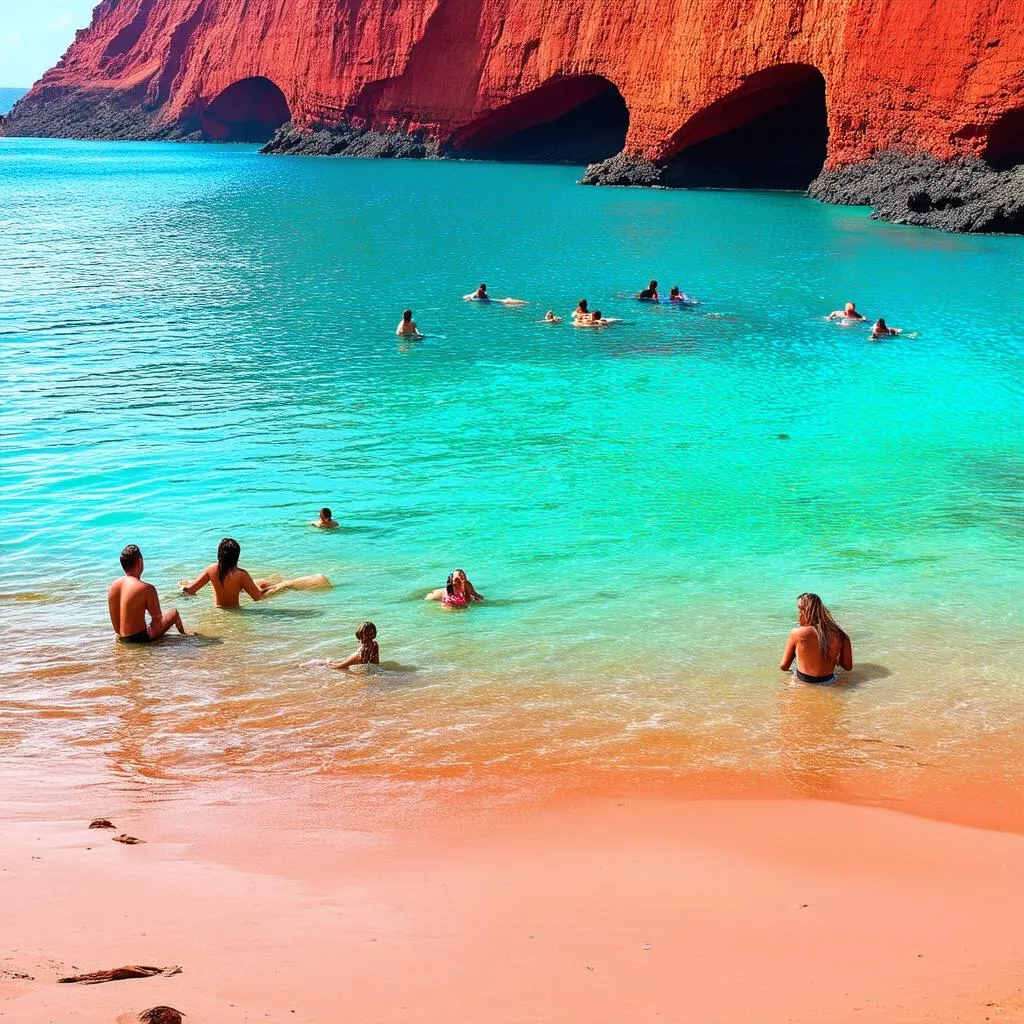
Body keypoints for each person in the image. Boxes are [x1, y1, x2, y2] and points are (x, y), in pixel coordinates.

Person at [180, 537, 330, 608]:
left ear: (219, 554)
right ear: (237, 556)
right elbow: (257, 598)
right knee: (277, 585)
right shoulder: (241, 574)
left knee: (262, 583)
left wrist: (184, 586)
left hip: (218, 612)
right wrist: (282, 587)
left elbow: (191, 591)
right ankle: (284, 583)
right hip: (237, 613)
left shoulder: (211, 569)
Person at [107, 544, 188, 643]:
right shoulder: (147, 588)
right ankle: (185, 636)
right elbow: (158, 622)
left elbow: (115, 621)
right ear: (139, 562)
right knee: (174, 613)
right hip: (140, 639)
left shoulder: (113, 586)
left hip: (122, 638)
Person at [779, 592, 854, 684]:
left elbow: (784, 666)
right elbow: (848, 667)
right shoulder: (841, 634)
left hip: (802, 683)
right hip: (829, 681)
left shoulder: (797, 633)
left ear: (804, 611)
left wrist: (797, 654)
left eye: (799, 610)